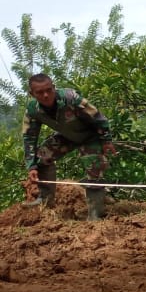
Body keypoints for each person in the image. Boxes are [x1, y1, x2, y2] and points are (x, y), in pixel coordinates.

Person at [22, 73, 116, 220]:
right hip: (67, 137)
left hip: (89, 136)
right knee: (41, 157)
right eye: (40, 92)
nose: (46, 95)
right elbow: (29, 137)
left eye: (49, 90)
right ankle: (46, 200)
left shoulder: (70, 97)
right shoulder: (33, 110)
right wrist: (31, 166)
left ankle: (95, 214)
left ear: (54, 87)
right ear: (32, 94)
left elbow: (98, 117)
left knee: (94, 169)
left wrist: (106, 140)